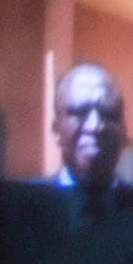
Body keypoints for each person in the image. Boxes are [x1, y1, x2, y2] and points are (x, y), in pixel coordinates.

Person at [47, 61, 124, 196]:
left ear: (124, 133)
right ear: (56, 130)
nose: (94, 126)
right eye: (80, 112)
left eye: (108, 114)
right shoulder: (22, 206)